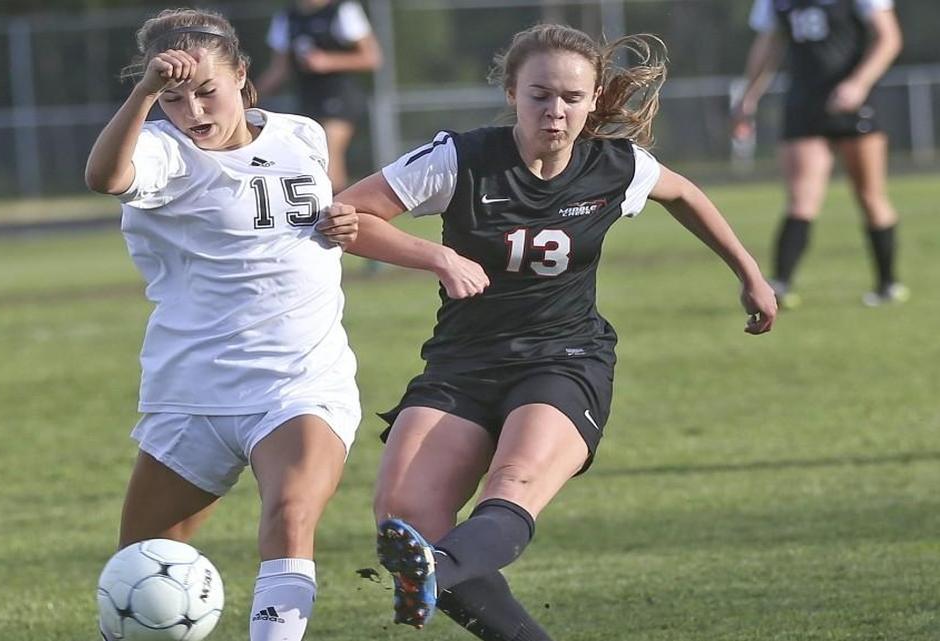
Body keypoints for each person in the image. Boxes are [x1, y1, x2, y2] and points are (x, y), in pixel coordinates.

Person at [335, 23, 778, 639]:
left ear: (594, 99)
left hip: (565, 358)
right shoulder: (459, 158)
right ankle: (454, 578)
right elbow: (346, 213)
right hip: (463, 361)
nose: (556, 110)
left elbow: (683, 194)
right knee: (402, 518)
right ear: (512, 92)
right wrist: (435, 256)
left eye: (572, 98)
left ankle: (439, 567)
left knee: (512, 483)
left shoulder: (614, 165)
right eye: (540, 94)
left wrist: (748, 272)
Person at [83, 9, 361, 641]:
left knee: (291, 517)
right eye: (175, 98)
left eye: (207, 90)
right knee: (140, 571)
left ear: (243, 75)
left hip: (299, 379)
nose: (195, 111)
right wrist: (144, 94)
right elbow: (105, 178)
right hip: (194, 390)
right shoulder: (160, 149)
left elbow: (327, 221)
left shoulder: (302, 136)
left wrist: (342, 224)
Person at [732, 0, 906, 308]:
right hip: (805, 105)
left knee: (870, 196)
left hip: (855, 103)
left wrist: (858, 83)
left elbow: (889, 37)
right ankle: (780, 285)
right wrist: (749, 96)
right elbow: (769, 44)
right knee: (801, 198)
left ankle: (887, 284)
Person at [255, 0, 382, 192]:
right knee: (310, 156)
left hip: (339, 95)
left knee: (329, 149)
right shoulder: (287, 18)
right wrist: (248, 97)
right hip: (307, 98)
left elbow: (372, 58)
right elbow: (279, 69)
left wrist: (328, 61)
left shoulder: (342, 11)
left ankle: (337, 210)